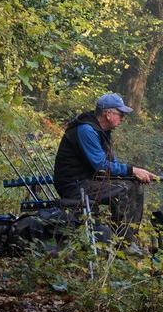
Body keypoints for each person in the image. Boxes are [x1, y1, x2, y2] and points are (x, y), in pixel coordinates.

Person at [53, 92, 157, 239]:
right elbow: (101, 166)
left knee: (134, 184)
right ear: (108, 114)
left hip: (88, 180)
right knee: (122, 190)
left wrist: (134, 174)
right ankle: (121, 241)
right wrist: (132, 170)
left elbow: (110, 163)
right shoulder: (86, 130)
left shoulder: (103, 131)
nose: (122, 118)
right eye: (120, 114)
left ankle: (129, 239)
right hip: (74, 184)